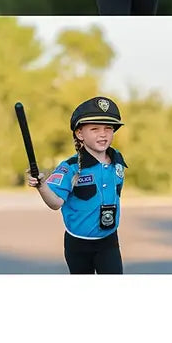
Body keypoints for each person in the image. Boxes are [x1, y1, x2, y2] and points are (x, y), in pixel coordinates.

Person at [26, 97, 128, 274]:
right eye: (95, 129)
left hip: (108, 240)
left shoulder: (117, 160)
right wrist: (41, 186)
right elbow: (56, 203)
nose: (103, 134)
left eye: (108, 128)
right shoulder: (70, 168)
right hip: (78, 244)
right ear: (80, 134)